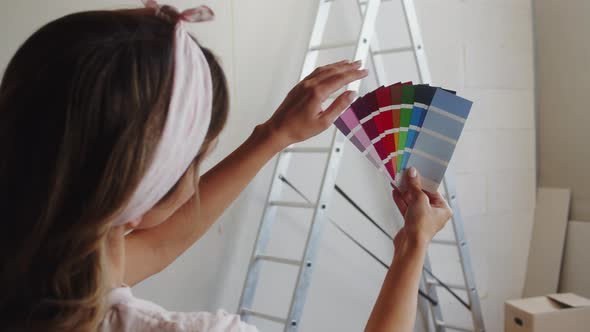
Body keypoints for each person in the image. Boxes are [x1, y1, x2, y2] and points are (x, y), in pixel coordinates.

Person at [0, 2, 452, 331]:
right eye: (198, 155)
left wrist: (274, 134)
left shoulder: (38, 271)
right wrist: (413, 243)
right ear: (139, 198)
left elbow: (157, 245)